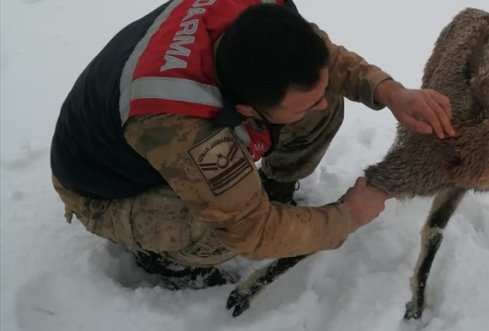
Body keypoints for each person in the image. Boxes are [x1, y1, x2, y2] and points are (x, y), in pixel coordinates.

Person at [50, 0, 454, 289]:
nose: (317, 105)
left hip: (162, 137)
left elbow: (324, 58)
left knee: (323, 101)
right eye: (301, 105)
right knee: (214, 231)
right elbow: (250, 231)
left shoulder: (259, 11)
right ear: (245, 108)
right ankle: (166, 258)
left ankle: (276, 185)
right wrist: (348, 216)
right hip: (107, 189)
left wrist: (392, 93)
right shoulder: (182, 126)